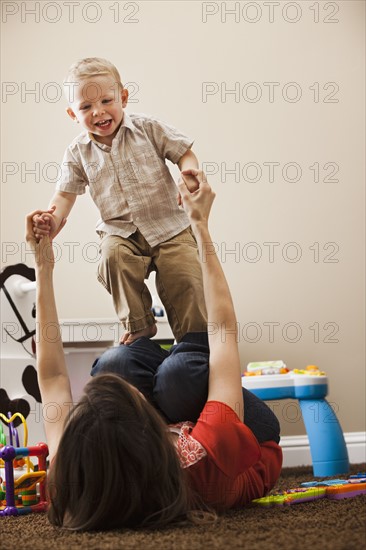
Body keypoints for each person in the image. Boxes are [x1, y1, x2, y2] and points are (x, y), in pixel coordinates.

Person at [26, 170, 282, 531]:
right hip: (254, 443)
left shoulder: (70, 478)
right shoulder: (209, 456)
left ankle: (166, 367)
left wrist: (43, 266)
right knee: (178, 377)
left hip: (159, 443)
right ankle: (180, 366)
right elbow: (222, 333)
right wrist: (200, 226)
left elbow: (51, 378)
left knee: (116, 363)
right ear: (151, 428)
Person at [32, 57, 207, 344]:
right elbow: (64, 194)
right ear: (72, 114)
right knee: (112, 257)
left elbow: (183, 150)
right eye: (86, 107)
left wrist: (189, 173)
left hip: (169, 227)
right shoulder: (77, 152)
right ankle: (139, 323)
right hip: (120, 232)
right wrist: (52, 218)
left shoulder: (148, 128)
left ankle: (193, 338)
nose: (98, 112)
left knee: (186, 277)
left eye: (105, 101)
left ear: (123, 98)